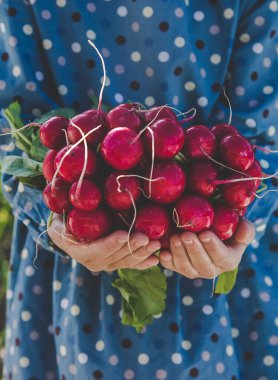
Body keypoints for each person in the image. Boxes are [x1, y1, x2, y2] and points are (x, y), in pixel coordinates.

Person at [0, 1, 277, 379]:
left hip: (225, 287)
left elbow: (265, 138)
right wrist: (51, 221)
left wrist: (244, 220)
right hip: (69, 271)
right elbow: (11, 129)